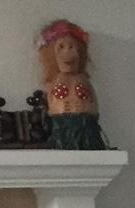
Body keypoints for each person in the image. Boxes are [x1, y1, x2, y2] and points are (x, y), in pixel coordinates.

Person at [37, 18, 106, 150]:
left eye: (72, 47)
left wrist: (86, 108)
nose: (68, 52)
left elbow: (94, 105)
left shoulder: (83, 80)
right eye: (61, 47)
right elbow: (50, 106)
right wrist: (60, 109)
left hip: (85, 127)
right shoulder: (53, 82)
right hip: (63, 128)